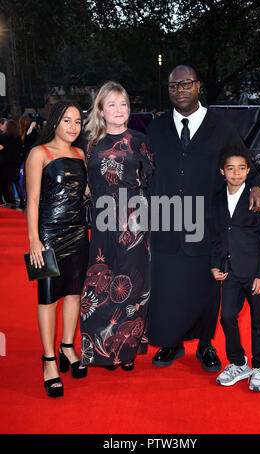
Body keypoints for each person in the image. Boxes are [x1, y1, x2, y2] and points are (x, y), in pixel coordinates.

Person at [147, 65, 260, 371]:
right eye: (174, 86)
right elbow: (141, 170)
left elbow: (245, 164)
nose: (180, 90)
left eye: (186, 84)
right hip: (167, 223)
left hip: (208, 225)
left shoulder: (221, 127)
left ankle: (205, 345)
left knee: (207, 288)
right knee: (170, 286)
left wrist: (257, 184)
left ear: (198, 86)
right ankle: (171, 343)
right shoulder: (156, 128)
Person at [80, 81, 153, 371]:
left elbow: (153, 179)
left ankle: (124, 351)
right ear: (100, 109)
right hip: (102, 221)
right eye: (112, 104)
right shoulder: (90, 144)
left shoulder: (139, 140)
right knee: (100, 283)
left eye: (123, 104)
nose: (119, 110)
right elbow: (85, 182)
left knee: (132, 282)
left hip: (134, 223)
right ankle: (100, 349)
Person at [25, 100, 89, 398]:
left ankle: (67, 347)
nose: (73, 127)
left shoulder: (81, 154)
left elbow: (87, 192)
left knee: (74, 293)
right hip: (49, 236)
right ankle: (49, 360)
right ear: (55, 122)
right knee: (49, 298)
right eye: (67, 120)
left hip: (78, 233)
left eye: (77, 121)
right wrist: (34, 239)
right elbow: (33, 200)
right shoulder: (39, 153)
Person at [211, 145, 260, 391]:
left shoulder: (256, 197)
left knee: (259, 321)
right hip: (230, 271)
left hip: (254, 271)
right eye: (230, 168)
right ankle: (238, 363)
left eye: (241, 168)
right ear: (222, 171)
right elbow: (215, 235)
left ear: (248, 171)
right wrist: (214, 264)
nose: (236, 173)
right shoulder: (216, 199)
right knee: (227, 317)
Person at [0, 119, 25, 208]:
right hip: (16, 163)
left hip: (6, 163)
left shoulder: (2, 137)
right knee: (17, 183)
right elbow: (21, 150)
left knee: (9, 184)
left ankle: (13, 202)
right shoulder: (18, 137)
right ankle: (22, 201)